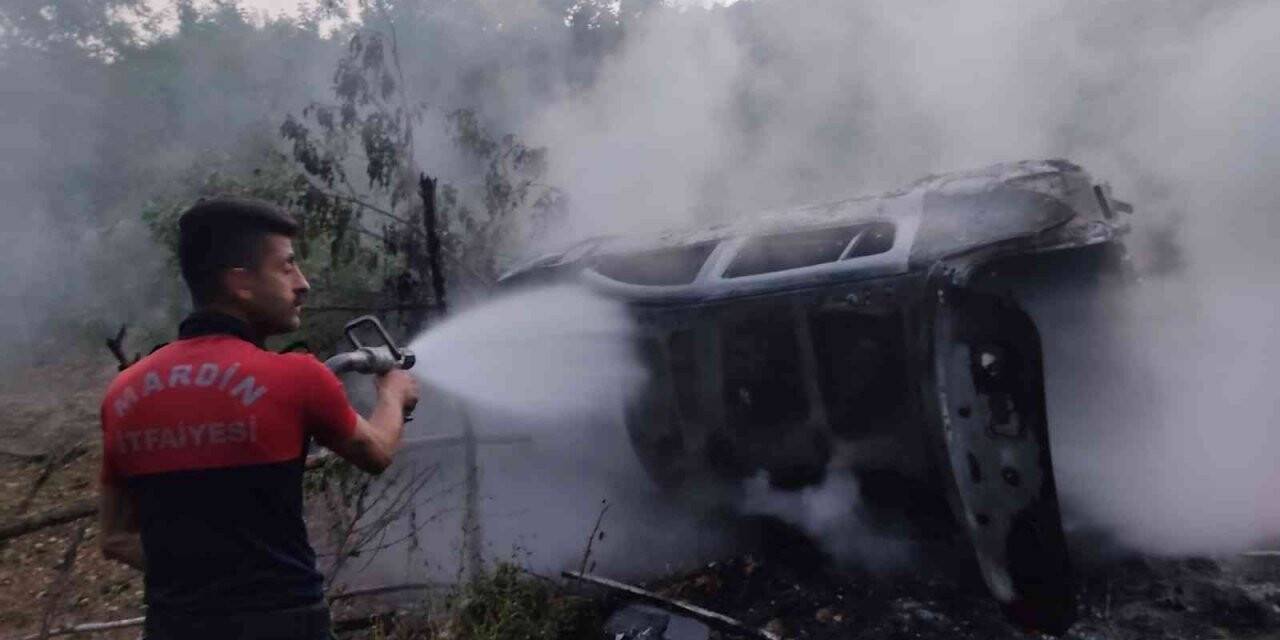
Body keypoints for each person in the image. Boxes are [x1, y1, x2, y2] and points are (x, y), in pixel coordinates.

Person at [97, 197, 419, 639]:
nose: (302, 283)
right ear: (240, 282)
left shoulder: (123, 393)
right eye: (286, 267)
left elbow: (114, 537)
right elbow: (378, 451)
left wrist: (199, 575)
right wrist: (393, 394)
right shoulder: (296, 377)